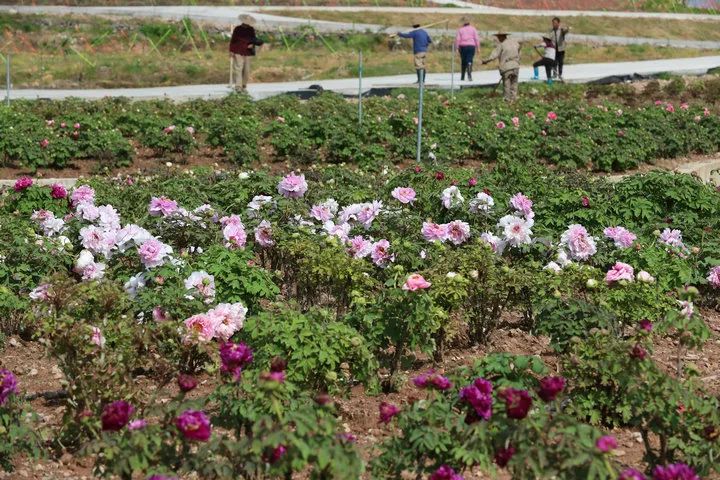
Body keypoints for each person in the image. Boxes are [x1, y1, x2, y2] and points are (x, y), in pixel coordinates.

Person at [481, 31, 521, 103]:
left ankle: (507, 100)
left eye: (498, 37)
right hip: (516, 66)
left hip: (506, 67)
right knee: (514, 84)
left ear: (501, 37)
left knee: (506, 84)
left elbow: (493, 55)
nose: (498, 38)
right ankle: (514, 100)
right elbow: (519, 50)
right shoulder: (515, 43)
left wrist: (485, 61)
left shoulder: (502, 45)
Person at [229, 14, 264, 92]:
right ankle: (238, 86)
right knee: (238, 68)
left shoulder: (251, 29)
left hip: (248, 52)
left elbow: (253, 39)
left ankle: (244, 84)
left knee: (246, 70)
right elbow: (233, 40)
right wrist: (231, 50)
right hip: (238, 50)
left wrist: (253, 44)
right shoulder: (237, 29)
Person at [455, 17, 480, 82]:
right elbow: (476, 38)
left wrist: (457, 48)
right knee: (470, 59)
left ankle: (462, 76)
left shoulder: (460, 30)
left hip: (463, 47)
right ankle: (469, 74)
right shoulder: (473, 29)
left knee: (463, 61)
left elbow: (458, 39)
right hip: (471, 46)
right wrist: (478, 48)